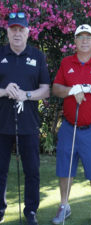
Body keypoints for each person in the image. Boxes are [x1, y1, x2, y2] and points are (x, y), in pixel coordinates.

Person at [51, 24, 91, 225]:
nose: (85, 41)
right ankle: (64, 205)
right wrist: (72, 90)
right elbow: (56, 88)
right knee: (65, 169)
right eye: (81, 37)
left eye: (88, 37)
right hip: (69, 127)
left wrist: (88, 88)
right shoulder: (66, 62)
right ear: (75, 41)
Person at [0, 12, 50, 225]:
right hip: (1, 124)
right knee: (0, 171)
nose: (17, 33)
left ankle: (30, 211)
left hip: (29, 124)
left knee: (32, 171)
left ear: (28, 32)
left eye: (21, 29)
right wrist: (4, 90)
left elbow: (46, 90)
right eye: (13, 29)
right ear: (7, 32)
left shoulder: (38, 56)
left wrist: (26, 95)